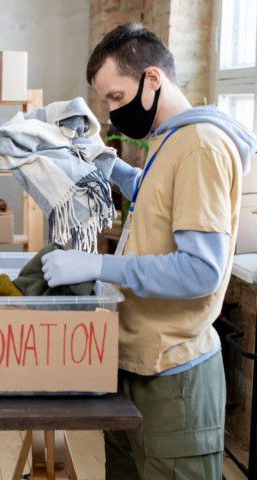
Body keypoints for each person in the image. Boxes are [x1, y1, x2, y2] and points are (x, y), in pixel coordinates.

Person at [40, 23, 257, 479]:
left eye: (116, 97)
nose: (113, 111)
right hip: (137, 360)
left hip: (174, 373)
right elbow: (160, 201)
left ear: (153, 79)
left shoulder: (200, 146)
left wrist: (98, 264)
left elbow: (201, 271)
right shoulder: (171, 138)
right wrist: (110, 164)